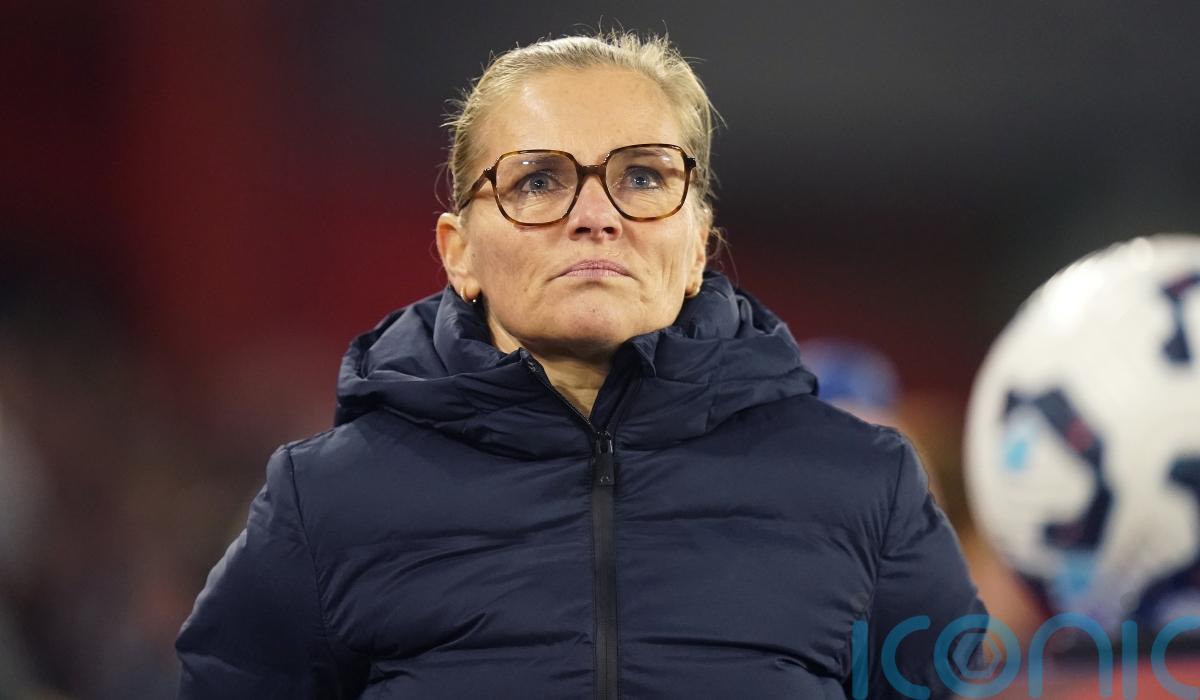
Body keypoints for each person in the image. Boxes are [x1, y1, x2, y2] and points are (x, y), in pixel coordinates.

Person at [176, 31, 986, 699]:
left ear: (698, 245)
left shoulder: (866, 488)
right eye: (538, 181)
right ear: (459, 253)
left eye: (643, 177)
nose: (596, 216)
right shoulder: (326, 502)